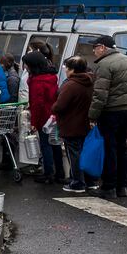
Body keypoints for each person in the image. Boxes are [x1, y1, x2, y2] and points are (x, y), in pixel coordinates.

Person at [88, 35, 127, 199]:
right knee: (122, 149)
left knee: (110, 149)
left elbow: (100, 94)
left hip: (110, 111)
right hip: (126, 110)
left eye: (95, 47)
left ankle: (109, 186)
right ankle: (122, 186)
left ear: (102, 47)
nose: (93, 51)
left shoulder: (104, 64)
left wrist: (92, 116)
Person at [51, 57, 94, 193]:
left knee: (74, 154)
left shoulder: (71, 85)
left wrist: (53, 107)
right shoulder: (90, 81)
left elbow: (59, 106)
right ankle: (90, 181)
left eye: (67, 68)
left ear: (73, 70)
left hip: (71, 125)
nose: (65, 70)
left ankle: (77, 182)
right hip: (85, 123)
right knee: (85, 153)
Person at [24, 50, 65, 184]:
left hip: (44, 118)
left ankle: (49, 174)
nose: (25, 67)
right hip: (54, 116)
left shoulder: (37, 81)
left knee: (45, 145)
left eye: (27, 65)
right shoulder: (51, 76)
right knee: (55, 144)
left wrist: (34, 122)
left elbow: (37, 104)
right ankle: (60, 173)